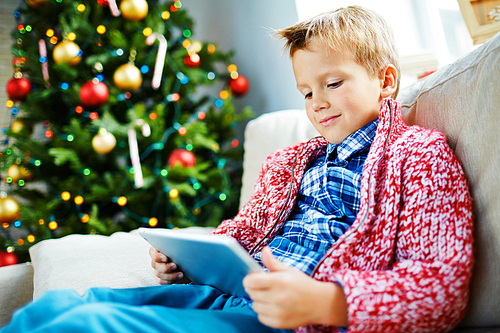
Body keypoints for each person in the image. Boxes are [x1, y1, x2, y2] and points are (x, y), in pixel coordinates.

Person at [2, 6, 473, 333]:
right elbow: (241, 234)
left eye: (332, 83)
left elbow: (439, 288)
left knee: (88, 326)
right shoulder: (293, 160)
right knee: (54, 308)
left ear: (386, 80)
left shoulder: (418, 155)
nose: (319, 103)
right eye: (306, 92)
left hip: (288, 318)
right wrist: (187, 261)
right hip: (226, 293)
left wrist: (328, 301)